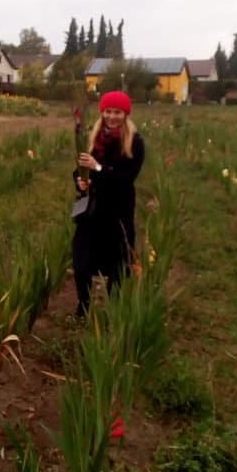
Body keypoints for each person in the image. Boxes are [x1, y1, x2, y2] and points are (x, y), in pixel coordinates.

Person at [72, 90, 145, 318]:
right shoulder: (93, 138)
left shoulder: (135, 142)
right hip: (93, 210)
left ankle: (115, 311)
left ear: (125, 114)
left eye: (117, 112)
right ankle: (83, 305)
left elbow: (126, 178)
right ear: (102, 112)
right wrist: (80, 181)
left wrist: (98, 169)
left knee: (118, 264)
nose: (112, 116)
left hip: (118, 211)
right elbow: (80, 169)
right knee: (81, 260)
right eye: (108, 111)